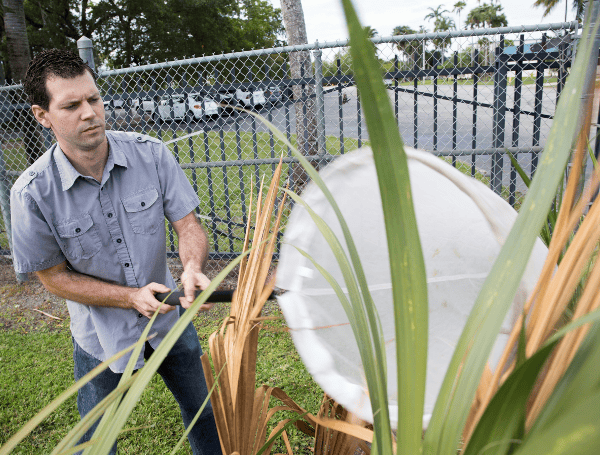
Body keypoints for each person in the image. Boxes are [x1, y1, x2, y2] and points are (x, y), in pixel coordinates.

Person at [10, 49, 221, 454]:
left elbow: (188, 225)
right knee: (96, 438)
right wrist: (129, 298)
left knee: (205, 413)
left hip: (170, 322)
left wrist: (192, 266)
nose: (89, 113)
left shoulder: (151, 153)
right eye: (71, 105)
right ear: (42, 115)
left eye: (93, 99)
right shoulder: (33, 192)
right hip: (100, 337)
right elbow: (52, 277)